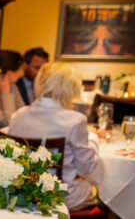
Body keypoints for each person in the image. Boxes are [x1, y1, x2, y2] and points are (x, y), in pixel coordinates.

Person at [8, 62, 99, 211]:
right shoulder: (75, 120)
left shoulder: (18, 115)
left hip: (23, 193)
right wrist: (94, 140)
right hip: (60, 195)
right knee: (101, 190)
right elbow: (86, 168)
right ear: (70, 88)